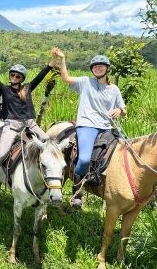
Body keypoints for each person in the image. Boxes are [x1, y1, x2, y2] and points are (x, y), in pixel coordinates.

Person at [53, 48, 126, 208]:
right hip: (87, 126)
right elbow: (65, 78)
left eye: (101, 66)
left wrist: (119, 110)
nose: (97, 68)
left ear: (107, 69)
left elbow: (124, 110)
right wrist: (63, 59)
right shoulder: (86, 82)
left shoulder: (114, 90)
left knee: (126, 155)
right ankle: (77, 192)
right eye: (95, 66)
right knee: (85, 159)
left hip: (107, 128)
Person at [0, 50, 57, 193]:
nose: (14, 77)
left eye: (17, 75)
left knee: (51, 144)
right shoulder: (5, 89)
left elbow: (41, 75)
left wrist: (52, 62)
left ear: (22, 78)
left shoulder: (27, 88)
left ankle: (55, 180)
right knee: (2, 153)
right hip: (12, 126)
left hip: (30, 124)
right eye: (12, 74)